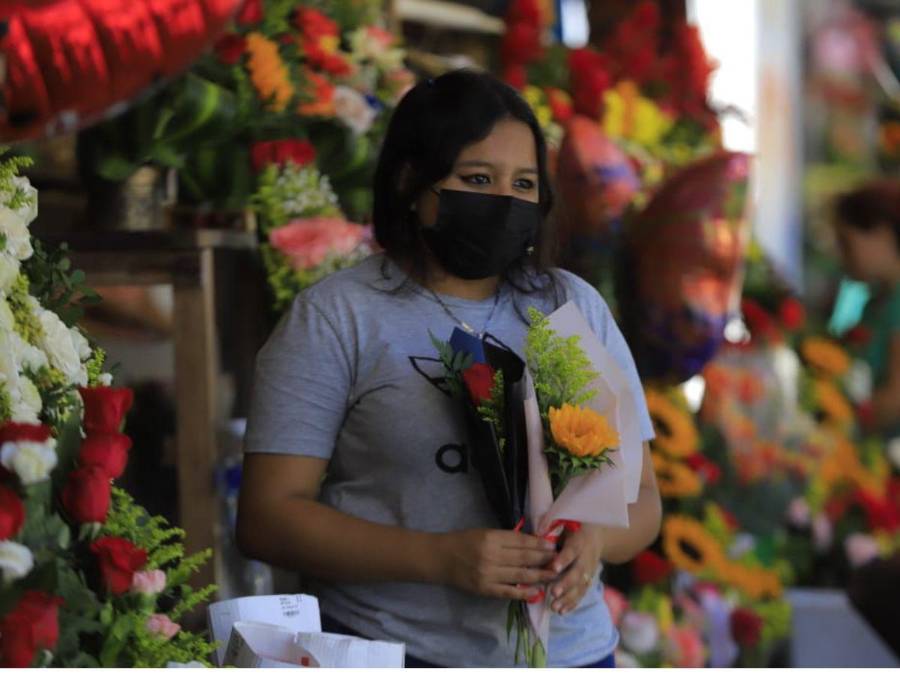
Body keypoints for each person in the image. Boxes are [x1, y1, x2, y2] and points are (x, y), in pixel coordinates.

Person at [236, 70, 661, 667]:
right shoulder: (337, 317)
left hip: (574, 654)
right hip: (397, 652)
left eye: (524, 184)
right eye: (477, 179)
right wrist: (438, 558)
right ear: (411, 182)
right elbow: (267, 517)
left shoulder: (571, 307)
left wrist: (595, 538)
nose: (504, 201)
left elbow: (642, 497)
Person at [833, 179, 900, 437]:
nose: (842, 256)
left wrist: (840, 425)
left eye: (846, 243)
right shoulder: (876, 302)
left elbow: (895, 398)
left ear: (881, 234)